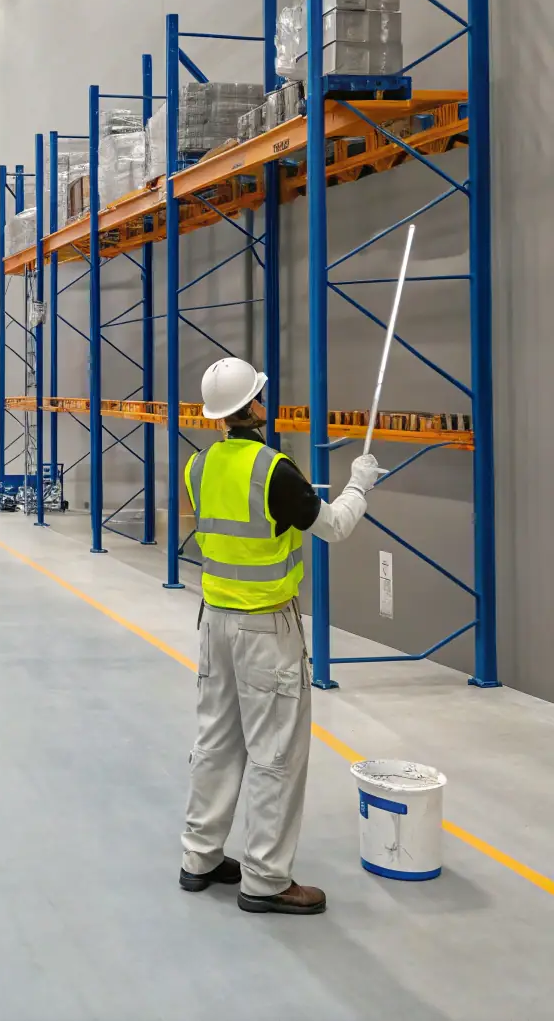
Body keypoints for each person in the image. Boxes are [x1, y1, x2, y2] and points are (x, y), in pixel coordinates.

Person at [178, 357, 380, 916]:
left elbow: (246, 519)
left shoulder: (199, 466)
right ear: (254, 406)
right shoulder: (275, 471)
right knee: (275, 753)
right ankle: (265, 880)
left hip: (214, 620)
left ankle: (200, 856)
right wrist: (359, 485)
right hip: (265, 628)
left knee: (216, 742)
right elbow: (334, 527)